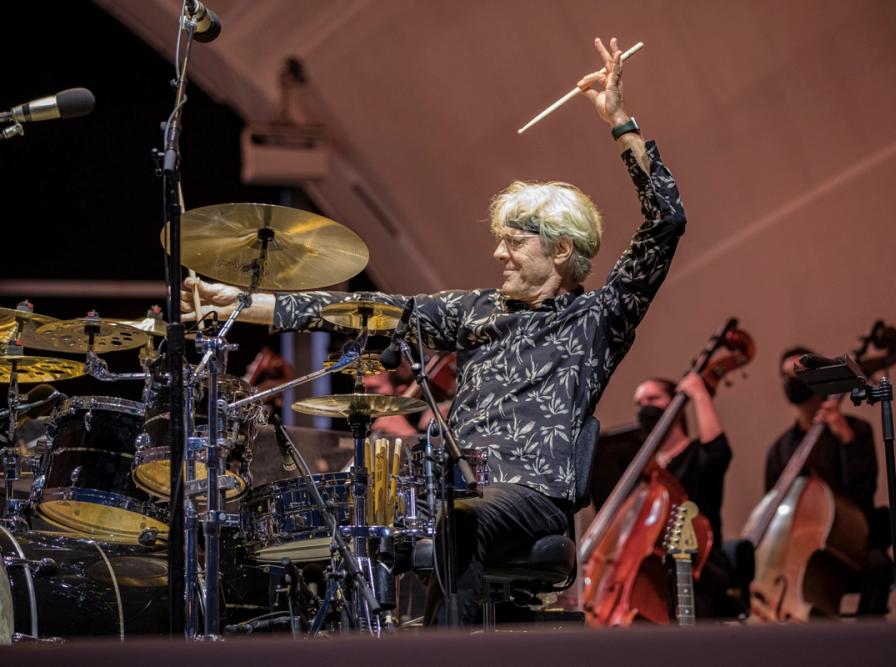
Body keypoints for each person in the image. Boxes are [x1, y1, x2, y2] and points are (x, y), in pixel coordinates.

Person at [183, 37, 687, 627]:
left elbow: (666, 222)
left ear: (561, 250)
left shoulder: (598, 319)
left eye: (514, 241)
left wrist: (620, 122)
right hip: (448, 490)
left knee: (459, 520)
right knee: (338, 522)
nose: (498, 253)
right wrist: (245, 304)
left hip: (530, 496)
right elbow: (370, 310)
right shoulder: (475, 310)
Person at [765, 346, 891, 616]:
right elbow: (772, 510)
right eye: (785, 375)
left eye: (798, 372)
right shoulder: (779, 450)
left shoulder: (856, 430)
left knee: (879, 567)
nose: (791, 379)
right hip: (798, 548)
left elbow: (864, 490)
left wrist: (846, 440)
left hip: (852, 543)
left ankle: (870, 639)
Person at [633, 373, 738, 618]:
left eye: (653, 398)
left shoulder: (697, 455)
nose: (645, 406)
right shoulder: (643, 468)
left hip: (699, 569)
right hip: (653, 570)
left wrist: (699, 394)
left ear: (676, 405)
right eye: (639, 403)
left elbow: (718, 452)